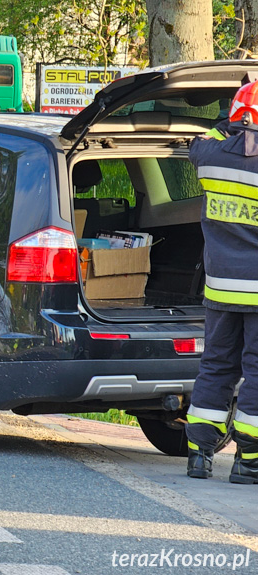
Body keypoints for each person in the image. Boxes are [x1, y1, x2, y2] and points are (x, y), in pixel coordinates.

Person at [186, 80, 258, 485]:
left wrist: (230, 124)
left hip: (220, 286)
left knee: (216, 367)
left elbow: (202, 138)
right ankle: (249, 461)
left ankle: (199, 454)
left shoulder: (209, 154)